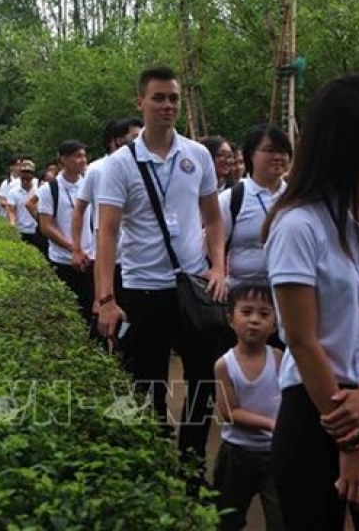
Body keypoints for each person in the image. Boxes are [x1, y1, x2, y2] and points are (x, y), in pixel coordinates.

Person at [263, 72, 359, 530]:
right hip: (316, 410)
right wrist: (349, 443)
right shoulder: (299, 226)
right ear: (357, 135)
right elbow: (301, 339)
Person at [95, 65, 226, 465]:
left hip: (192, 287)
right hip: (143, 289)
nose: (167, 105)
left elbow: (213, 219)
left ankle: (191, 464)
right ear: (140, 102)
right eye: (158, 98)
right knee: (147, 384)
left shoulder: (197, 155)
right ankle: (154, 465)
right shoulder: (119, 164)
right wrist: (106, 299)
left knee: (202, 379)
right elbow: (107, 233)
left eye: (173, 98)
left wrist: (218, 267)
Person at [213, 282, 284, 531]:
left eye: (264, 314)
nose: (254, 320)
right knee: (227, 518)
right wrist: (271, 424)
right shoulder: (224, 365)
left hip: (274, 453)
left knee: (281, 518)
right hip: (237, 454)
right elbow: (230, 412)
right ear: (231, 319)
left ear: (275, 324)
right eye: (246, 312)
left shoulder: (279, 358)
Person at [72, 118, 142, 315]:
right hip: (108, 256)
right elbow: (79, 209)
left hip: (138, 261)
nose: (140, 142)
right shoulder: (97, 169)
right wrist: (76, 248)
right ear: (116, 141)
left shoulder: (146, 166)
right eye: (134, 137)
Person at [220, 125, 292, 290]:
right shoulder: (231, 199)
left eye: (283, 151)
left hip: (286, 291)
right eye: (269, 150)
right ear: (250, 155)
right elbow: (213, 246)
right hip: (241, 293)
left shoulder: (295, 198)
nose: (278, 157)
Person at [38, 140, 95, 333]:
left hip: (89, 258)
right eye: (78, 156)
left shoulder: (89, 185)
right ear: (63, 159)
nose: (83, 160)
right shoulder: (49, 190)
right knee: (68, 310)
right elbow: (46, 226)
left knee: (90, 309)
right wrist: (73, 248)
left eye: (84, 156)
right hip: (62, 260)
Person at [7, 160, 45, 253]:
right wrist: (12, 224)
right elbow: (12, 211)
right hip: (21, 230)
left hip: (36, 230)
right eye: (23, 177)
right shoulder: (13, 192)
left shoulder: (38, 190)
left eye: (28, 178)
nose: (25, 181)